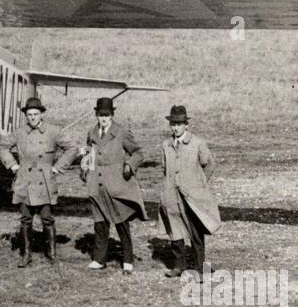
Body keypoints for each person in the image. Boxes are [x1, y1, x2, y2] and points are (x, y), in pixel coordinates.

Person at [0, 96, 72, 266]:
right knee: (25, 219)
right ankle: (25, 254)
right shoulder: (19, 132)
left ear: (41, 114)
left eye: (35, 114)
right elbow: (2, 146)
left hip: (45, 181)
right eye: (29, 114)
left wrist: (57, 167)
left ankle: (51, 254)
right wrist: (13, 166)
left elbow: (71, 148)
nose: (32, 117)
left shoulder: (53, 131)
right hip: (25, 181)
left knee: (47, 218)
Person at [75, 96, 145, 274]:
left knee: (121, 222)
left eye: (106, 114)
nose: (103, 118)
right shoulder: (91, 132)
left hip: (116, 184)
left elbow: (137, 153)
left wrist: (129, 166)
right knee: (100, 223)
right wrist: (84, 169)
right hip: (96, 184)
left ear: (112, 115)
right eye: (100, 114)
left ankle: (127, 260)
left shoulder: (121, 132)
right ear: (96, 115)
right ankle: (99, 259)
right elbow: (88, 154)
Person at [155, 105, 221, 277]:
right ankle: (179, 266)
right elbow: (165, 168)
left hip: (192, 196)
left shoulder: (197, 143)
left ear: (186, 125)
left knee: (196, 232)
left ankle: (199, 268)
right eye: (173, 124)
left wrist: (199, 185)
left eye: (179, 124)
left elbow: (210, 164)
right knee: (175, 231)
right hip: (171, 195)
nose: (175, 127)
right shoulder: (166, 145)